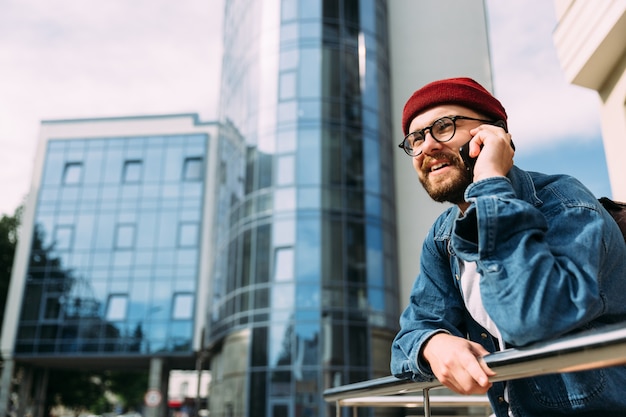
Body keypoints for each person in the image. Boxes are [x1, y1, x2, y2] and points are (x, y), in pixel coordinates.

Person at [390, 77, 626, 416]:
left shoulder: (565, 205)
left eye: (443, 127)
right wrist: (431, 344)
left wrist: (489, 183)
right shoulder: (442, 238)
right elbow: (409, 336)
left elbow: (530, 319)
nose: (426, 146)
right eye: (415, 138)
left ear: (496, 134)